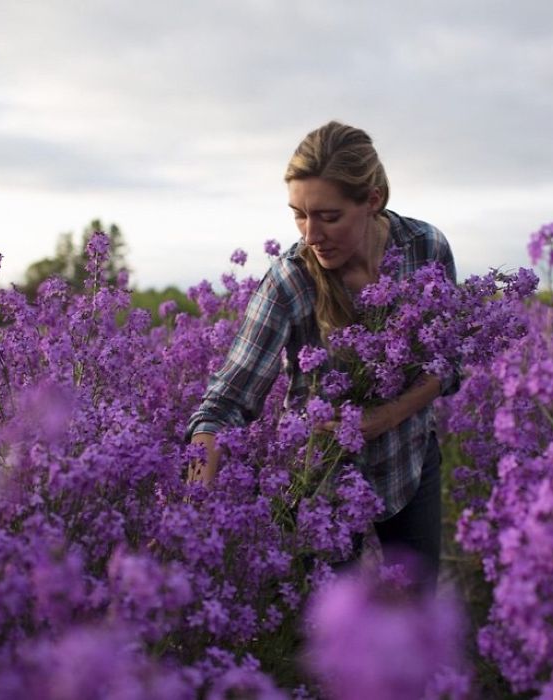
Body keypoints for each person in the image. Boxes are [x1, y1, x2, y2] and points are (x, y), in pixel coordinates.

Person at [185, 121, 461, 589]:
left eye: (329, 217)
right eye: (299, 215)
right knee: (330, 637)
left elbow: (447, 361)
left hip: (407, 462)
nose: (311, 234)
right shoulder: (290, 281)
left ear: (373, 200)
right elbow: (224, 405)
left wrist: (383, 418)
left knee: (415, 621)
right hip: (322, 486)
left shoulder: (425, 248)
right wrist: (189, 508)